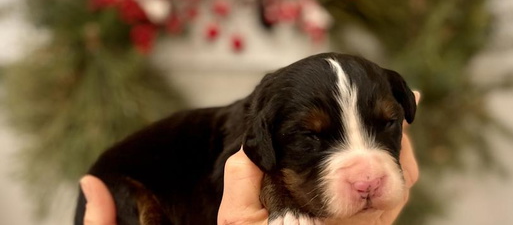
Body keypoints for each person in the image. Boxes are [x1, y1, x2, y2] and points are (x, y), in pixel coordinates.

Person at [80, 92, 420, 225]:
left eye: (387, 124)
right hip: (130, 184)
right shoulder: (247, 141)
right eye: (311, 138)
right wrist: (283, 201)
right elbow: (242, 173)